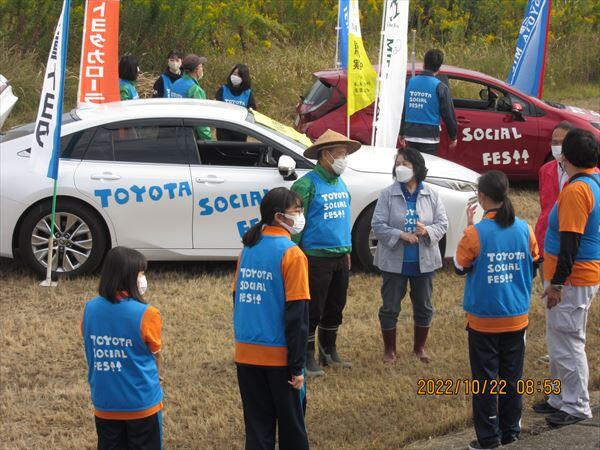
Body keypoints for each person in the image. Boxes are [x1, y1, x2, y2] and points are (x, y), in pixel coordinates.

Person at [454, 171, 540, 450]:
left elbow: (459, 267)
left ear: (481, 196)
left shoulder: (474, 233)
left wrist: (469, 226)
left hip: (484, 322)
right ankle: (510, 430)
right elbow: (535, 263)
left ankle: (489, 437)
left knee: (485, 381)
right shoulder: (525, 229)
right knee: (512, 378)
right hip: (517, 318)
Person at [233, 187, 310, 450]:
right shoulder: (292, 254)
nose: (301, 216)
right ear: (279, 217)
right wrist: (297, 366)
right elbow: (297, 315)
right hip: (279, 358)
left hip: (246, 355)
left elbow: (237, 298)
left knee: (257, 430)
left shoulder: (247, 251)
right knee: (293, 431)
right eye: (296, 211)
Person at [536, 129, 600, 427]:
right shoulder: (592, 181)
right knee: (560, 338)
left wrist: (557, 285)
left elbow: (570, 242)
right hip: (577, 276)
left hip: (572, 280)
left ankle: (576, 406)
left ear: (568, 157)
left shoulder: (577, 190)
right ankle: (560, 398)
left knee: (568, 342)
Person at [291, 129, 360, 377]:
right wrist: (295, 255)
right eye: (339, 154)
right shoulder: (306, 184)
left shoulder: (340, 182)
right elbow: (295, 224)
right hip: (315, 257)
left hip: (340, 256)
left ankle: (329, 352)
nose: (343, 159)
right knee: (313, 309)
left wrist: (348, 249)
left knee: (335, 306)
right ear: (325, 155)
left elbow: (343, 219)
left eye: (345, 154)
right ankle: (307, 356)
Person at [372, 147, 448, 364]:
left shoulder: (431, 194)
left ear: (417, 167)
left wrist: (427, 231)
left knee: (424, 305)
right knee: (390, 307)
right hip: (394, 262)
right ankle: (389, 351)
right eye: (397, 164)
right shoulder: (387, 194)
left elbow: (442, 224)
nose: (400, 168)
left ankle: (419, 348)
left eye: (405, 164)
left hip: (424, 263)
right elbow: (377, 224)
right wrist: (400, 234)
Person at [82, 246, 163, 450]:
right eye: (141, 274)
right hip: (141, 403)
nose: (143, 279)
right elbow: (155, 353)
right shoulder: (148, 314)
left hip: (105, 403)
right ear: (129, 277)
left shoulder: (89, 309)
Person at [399, 49, 457, 155]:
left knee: (412, 165)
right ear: (439, 67)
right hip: (429, 137)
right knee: (426, 166)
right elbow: (448, 114)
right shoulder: (440, 87)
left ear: (424, 64)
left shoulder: (409, 83)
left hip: (410, 134)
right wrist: (453, 136)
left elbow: (404, 109)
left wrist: (401, 132)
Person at [171, 54, 212, 140]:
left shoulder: (175, 84)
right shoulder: (195, 90)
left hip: (175, 132)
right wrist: (208, 141)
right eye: (201, 67)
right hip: (190, 137)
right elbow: (201, 121)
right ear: (197, 70)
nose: (202, 69)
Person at [215, 64, 256, 141]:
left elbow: (252, 112)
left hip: (240, 132)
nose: (235, 76)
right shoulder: (223, 90)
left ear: (244, 78)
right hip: (223, 131)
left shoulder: (247, 93)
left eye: (238, 75)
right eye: (234, 74)